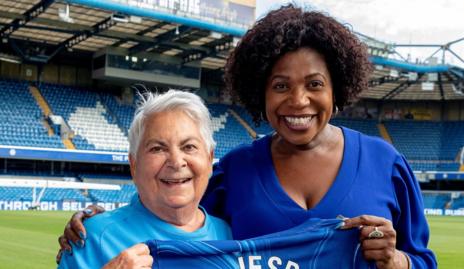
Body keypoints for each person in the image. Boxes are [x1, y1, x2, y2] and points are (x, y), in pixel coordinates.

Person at [57, 4, 437, 269]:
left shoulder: (386, 164)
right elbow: (171, 205)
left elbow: (422, 261)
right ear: (260, 93)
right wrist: (97, 226)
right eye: (280, 85)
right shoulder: (235, 172)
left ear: (337, 88)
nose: (298, 100)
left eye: (315, 84)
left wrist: (396, 261)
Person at [57, 90, 232, 268]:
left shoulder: (230, 235)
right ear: (134, 164)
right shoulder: (91, 238)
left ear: (209, 159)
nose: (176, 162)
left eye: (189, 147)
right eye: (157, 148)